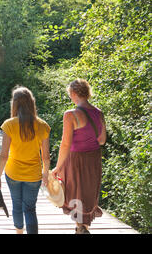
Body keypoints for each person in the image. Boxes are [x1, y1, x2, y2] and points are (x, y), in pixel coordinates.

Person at [0, 86, 51, 234]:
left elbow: (3, 155)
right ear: (31, 103)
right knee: (30, 209)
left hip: (13, 173)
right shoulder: (42, 126)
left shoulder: (9, 125)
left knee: (17, 205)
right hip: (34, 175)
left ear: (14, 104)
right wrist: (45, 174)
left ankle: (19, 232)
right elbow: (45, 156)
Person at [52, 79, 106, 234]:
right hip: (94, 158)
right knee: (87, 191)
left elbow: (65, 145)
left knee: (74, 191)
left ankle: (80, 227)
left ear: (74, 93)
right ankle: (82, 227)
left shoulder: (70, 115)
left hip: (76, 159)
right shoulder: (99, 113)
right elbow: (101, 140)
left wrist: (58, 167)